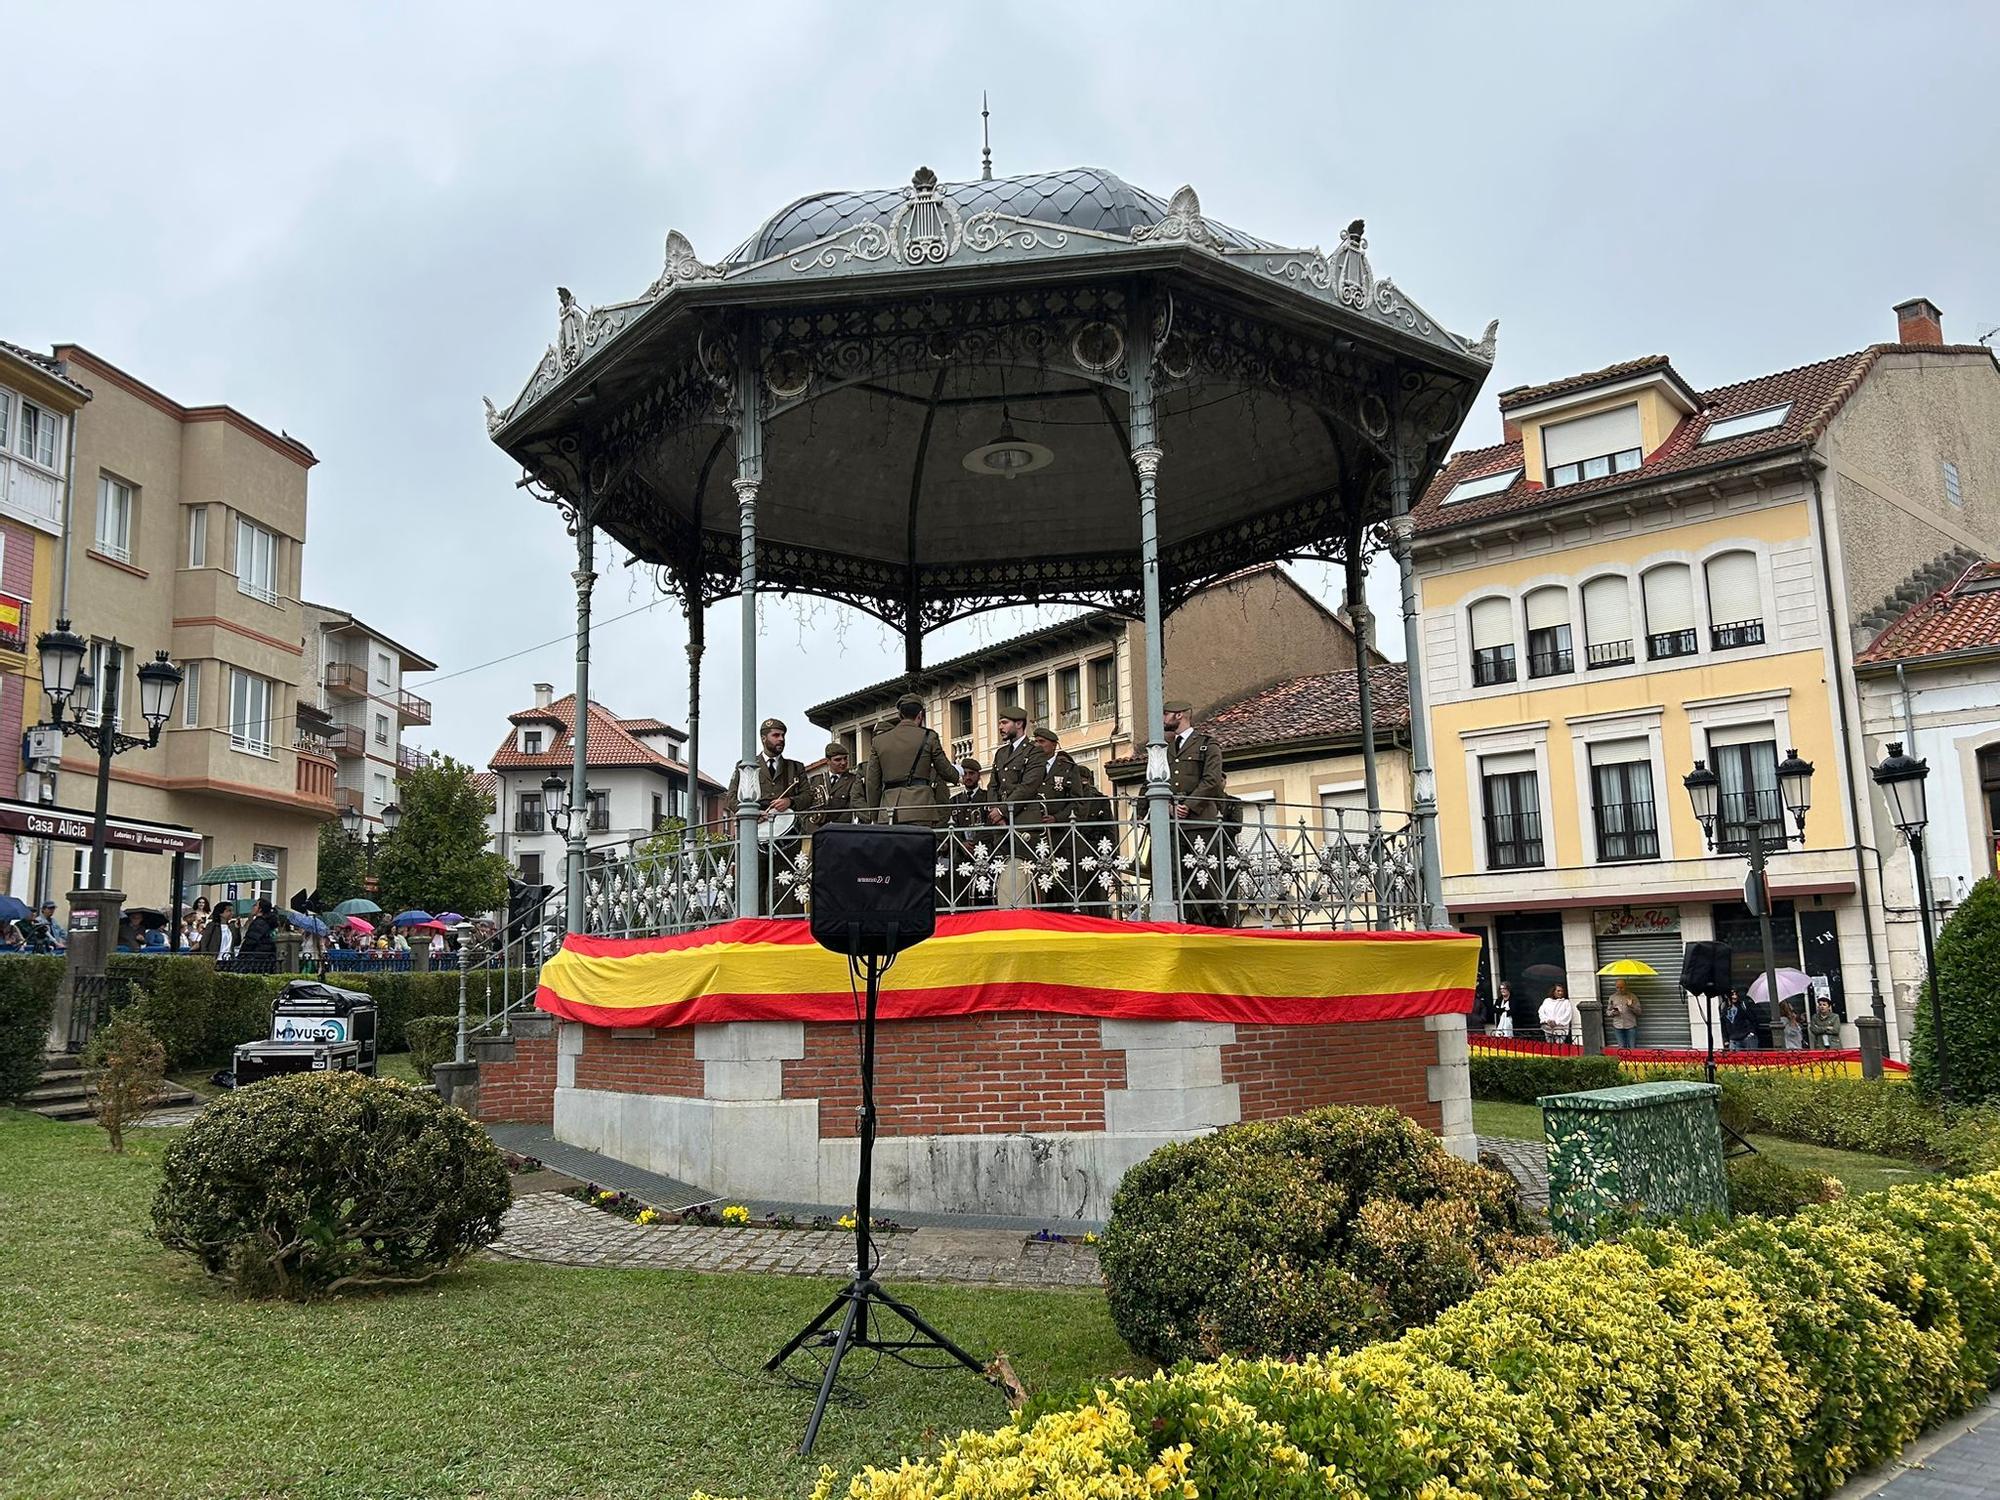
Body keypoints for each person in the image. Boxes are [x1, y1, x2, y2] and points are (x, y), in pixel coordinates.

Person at [724, 716, 819, 916]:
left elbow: (808, 797)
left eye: (783, 735)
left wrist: (790, 802)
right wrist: (750, 814)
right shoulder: (746, 766)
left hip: (787, 837)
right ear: (763, 738)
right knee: (754, 883)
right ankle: (754, 926)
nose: (781, 739)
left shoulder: (795, 767)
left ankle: (787, 926)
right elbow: (731, 799)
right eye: (776, 735)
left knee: (787, 882)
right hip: (755, 834)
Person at [1164, 698, 1228, 925]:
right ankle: (1187, 923)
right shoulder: (1164, 748)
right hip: (1171, 823)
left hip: (1199, 821)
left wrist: (1188, 805)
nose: (1163, 719)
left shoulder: (1206, 745)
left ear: (1179, 715)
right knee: (1175, 878)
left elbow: (1211, 780)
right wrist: (1168, 807)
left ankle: (1216, 925)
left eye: (1166, 714)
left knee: (1203, 877)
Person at [865, 694, 959, 828]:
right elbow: (945, 770)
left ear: (900, 715)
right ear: (920, 715)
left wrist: (875, 813)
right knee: (918, 848)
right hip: (920, 809)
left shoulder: (879, 741)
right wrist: (956, 776)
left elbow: (872, 782)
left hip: (889, 810)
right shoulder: (929, 736)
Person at [944, 757, 995, 908]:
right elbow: (950, 827)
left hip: (985, 853)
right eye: (965, 774)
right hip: (961, 855)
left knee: (984, 895)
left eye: (971, 773)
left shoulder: (987, 798)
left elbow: (991, 824)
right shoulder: (954, 800)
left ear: (979, 775)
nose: (968, 777)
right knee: (962, 894)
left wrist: (976, 843)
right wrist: (962, 844)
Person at [806, 742, 865, 832]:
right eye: (838, 760)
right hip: (817, 830)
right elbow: (807, 806)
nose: (843, 763)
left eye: (845, 759)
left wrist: (834, 826)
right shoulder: (815, 780)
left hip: (840, 831)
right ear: (827, 761)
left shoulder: (853, 780)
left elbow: (852, 807)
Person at [239, 898, 279, 972]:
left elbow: (250, 941)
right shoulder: (268, 922)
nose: (253, 907)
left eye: (255, 905)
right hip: (265, 959)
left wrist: (241, 956)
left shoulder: (259, 923)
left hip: (254, 959)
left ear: (260, 909)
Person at [1605, 977, 1642, 1049]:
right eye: (1617, 987)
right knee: (1621, 1048)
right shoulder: (1612, 997)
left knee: (1632, 1047)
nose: (1619, 989)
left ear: (1625, 986)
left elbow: (1639, 1012)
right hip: (1618, 1026)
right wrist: (1613, 1013)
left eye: (1621, 987)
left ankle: (1632, 1060)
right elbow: (1608, 1012)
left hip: (1630, 1025)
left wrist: (1631, 1006)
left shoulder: (1632, 996)